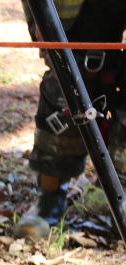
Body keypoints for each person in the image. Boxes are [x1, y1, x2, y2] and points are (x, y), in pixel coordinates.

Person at [15, 0, 126, 239]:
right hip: (76, 29)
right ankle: (48, 203)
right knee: (63, 98)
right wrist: (40, 21)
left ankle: (122, 205)